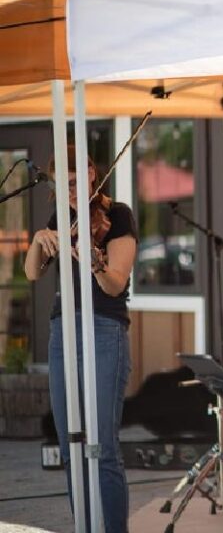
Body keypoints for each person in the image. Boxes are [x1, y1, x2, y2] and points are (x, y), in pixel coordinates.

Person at [25, 146, 138, 533]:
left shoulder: (118, 215)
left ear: (92, 172)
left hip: (104, 328)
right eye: (62, 185)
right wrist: (40, 238)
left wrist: (94, 261)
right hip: (63, 330)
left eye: (74, 183)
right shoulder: (62, 216)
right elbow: (32, 273)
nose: (70, 192)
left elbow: (115, 283)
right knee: (71, 445)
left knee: (103, 446)